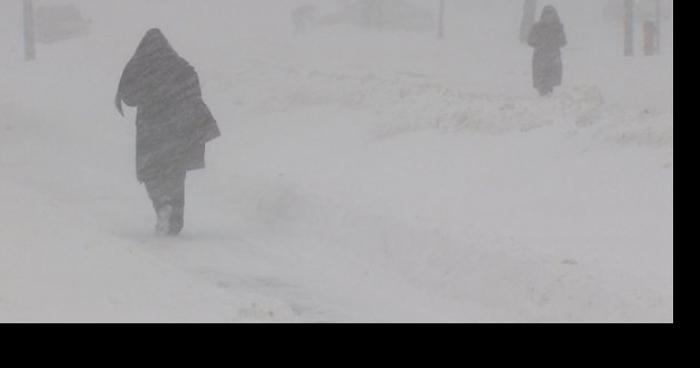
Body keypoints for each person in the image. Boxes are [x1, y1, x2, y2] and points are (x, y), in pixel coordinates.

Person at [115, 28, 220, 236]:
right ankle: (176, 221)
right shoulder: (181, 66)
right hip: (177, 129)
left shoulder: (139, 68)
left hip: (151, 129)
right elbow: (193, 93)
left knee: (151, 172)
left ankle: (161, 205)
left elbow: (129, 98)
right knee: (176, 174)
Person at [528, 5, 567, 96]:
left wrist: (558, 39)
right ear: (543, 16)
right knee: (541, 75)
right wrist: (539, 43)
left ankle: (549, 90)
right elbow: (530, 40)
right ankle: (542, 90)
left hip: (553, 55)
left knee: (552, 75)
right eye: (547, 15)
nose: (549, 17)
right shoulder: (537, 27)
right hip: (540, 56)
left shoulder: (558, 27)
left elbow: (563, 42)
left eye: (551, 15)